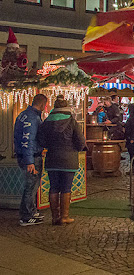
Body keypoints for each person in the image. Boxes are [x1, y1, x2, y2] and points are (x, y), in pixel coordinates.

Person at [37, 97, 86, 225]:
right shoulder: (72, 122)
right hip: (69, 160)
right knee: (66, 188)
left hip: (52, 159)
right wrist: (74, 149)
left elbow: (41, 141)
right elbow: (81, 142)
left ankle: (54, 217)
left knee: (53, 188)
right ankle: (64, 216)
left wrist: (50, 146)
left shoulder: (46, 122)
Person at [13, 94, 48, 226]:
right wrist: (30, 161)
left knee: (31, 185)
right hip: (31, 157)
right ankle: (27, 216)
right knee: (31, 186)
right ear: (43, 105)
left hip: (24, 155)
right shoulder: (32, 118)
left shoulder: (23, 115)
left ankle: (30, 211)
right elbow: (28, 140)